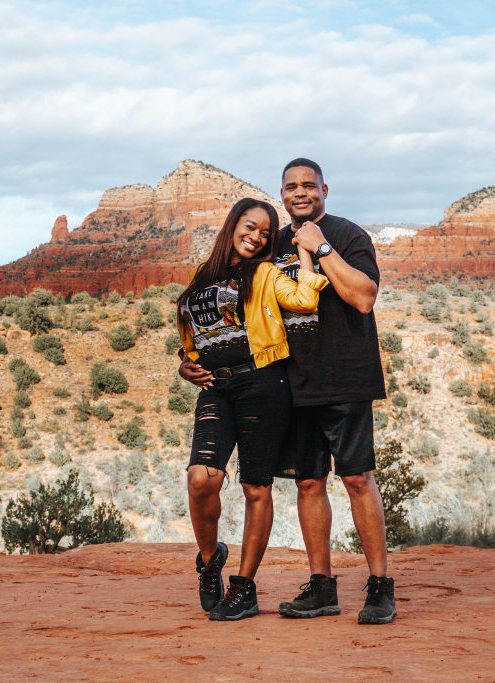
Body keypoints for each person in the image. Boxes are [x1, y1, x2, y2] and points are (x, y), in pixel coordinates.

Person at [180, 158, 396, 625]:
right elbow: (232, 304)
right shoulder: (270, 243)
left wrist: (321, 248)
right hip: (288, 381)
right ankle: (322, 586)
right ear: (282, 194)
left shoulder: (347, 234)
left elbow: (363, 296)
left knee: (357, 478)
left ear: (324, 189)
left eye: (309, 185)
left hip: (344, 376)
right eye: (291, 186)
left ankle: (380, 586)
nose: (300, 192)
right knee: (308, 482)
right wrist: (192, 360)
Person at [176, 196, 328, 621]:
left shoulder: (263, 272)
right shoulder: (202, 275)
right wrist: (185, 364)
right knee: (201, 478)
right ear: (233, 225)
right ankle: (210, 562)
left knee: (256, 487)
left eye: (265, 231)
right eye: (250, 226)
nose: (257, 236)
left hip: (262, 382)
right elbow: (194, 337)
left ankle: (244, 588)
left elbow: (304, 299)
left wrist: (304, 253)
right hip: (215, 388)